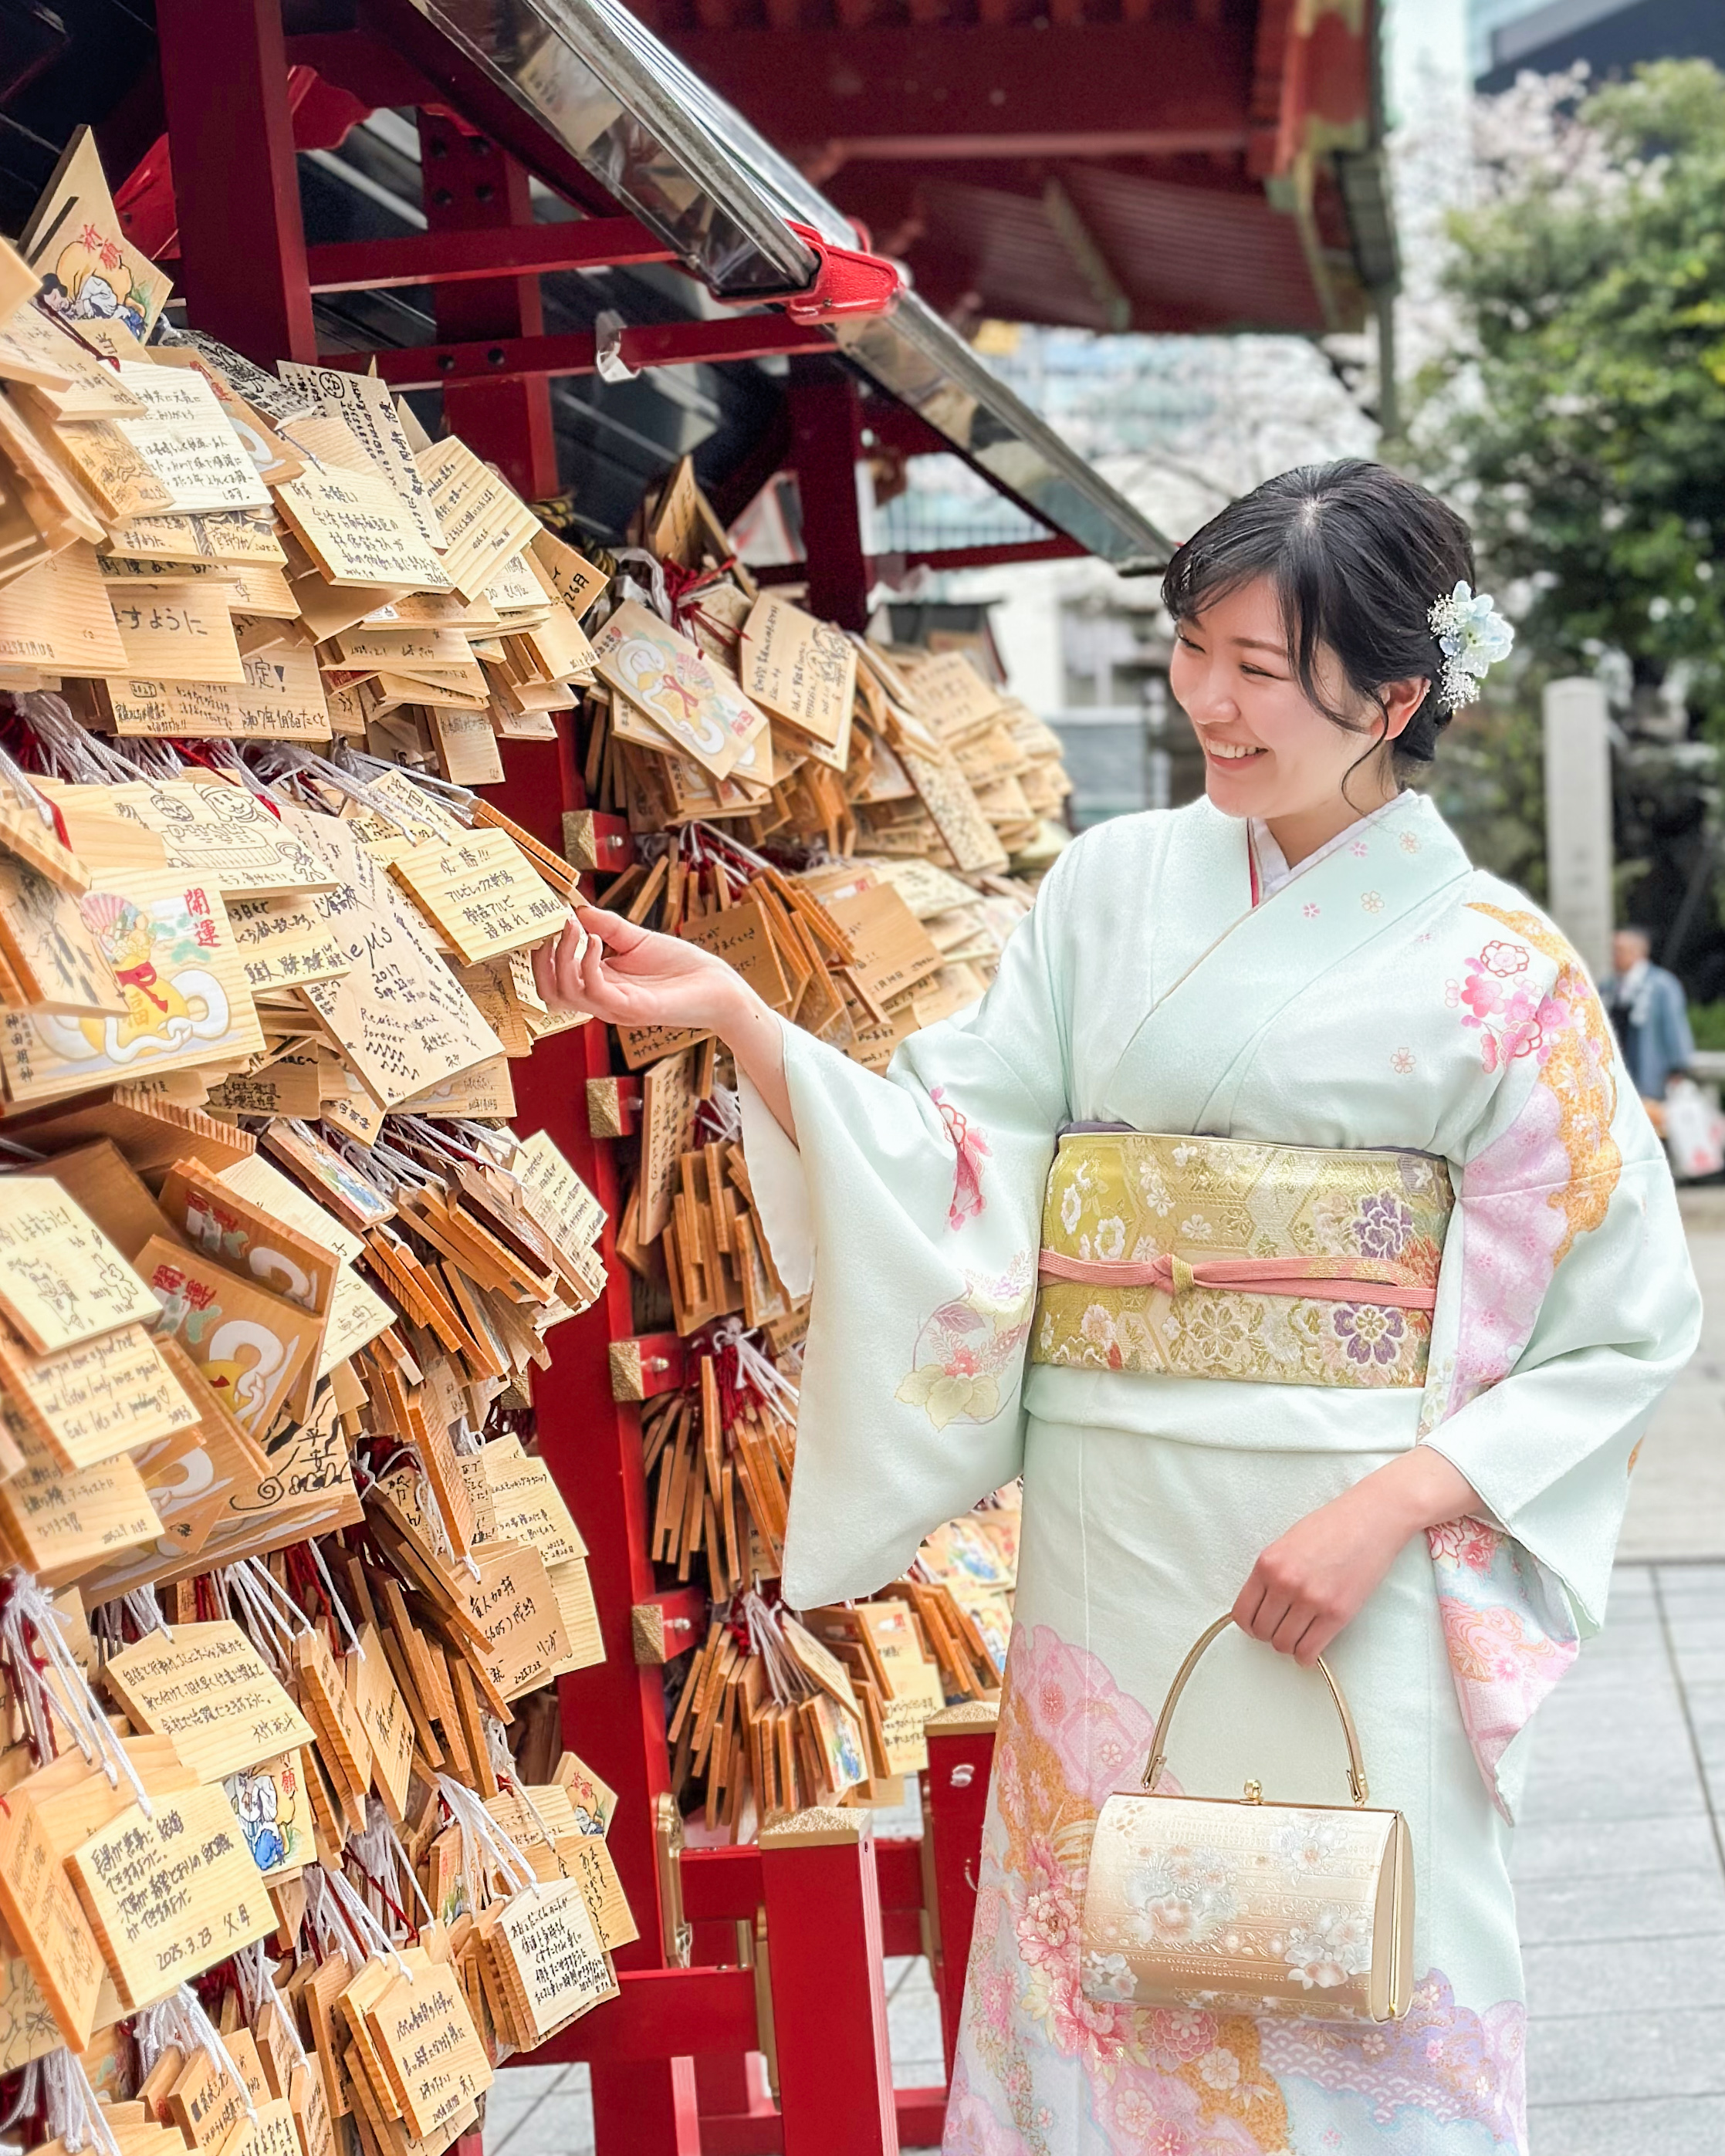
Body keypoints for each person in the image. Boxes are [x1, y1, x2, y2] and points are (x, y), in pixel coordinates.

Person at [535, 461, 1700, 2154]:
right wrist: (743, 1022)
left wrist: (1389, 1506)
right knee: (1102, 1961)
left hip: (1351, 1539)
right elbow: (959, 1147)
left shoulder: (1503, 970)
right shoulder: (1109, 889)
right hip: (1111, 1531)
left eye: (1250, 665)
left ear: (1388, 697)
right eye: (1189, 647)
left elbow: (1616, 1315)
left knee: (1354, 1950)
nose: (1201, 700)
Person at [1604, 925, 1695, 1103]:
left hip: (1652, 1080)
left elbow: (1675, 1030)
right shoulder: (1608, 987)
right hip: (1619, 1078)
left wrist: (1677, 1071)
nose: (1614, 955)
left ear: (1637, 952)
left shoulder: (1663, 985)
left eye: (1619, 950)